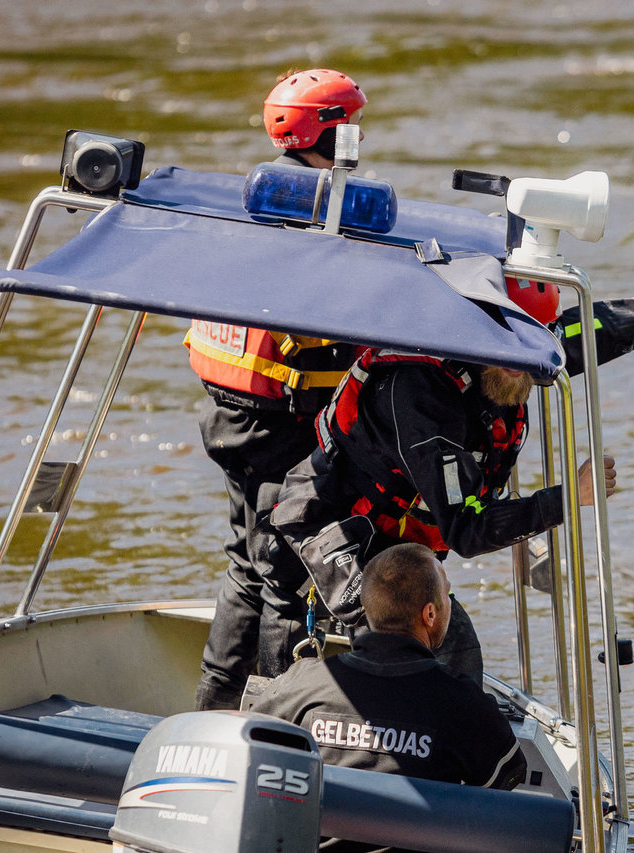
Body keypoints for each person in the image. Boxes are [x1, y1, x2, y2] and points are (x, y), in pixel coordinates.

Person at [266, 279, 634, 681]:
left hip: (395, 527)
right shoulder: (422, 395)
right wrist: (566, 498)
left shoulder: (522, 347)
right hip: (335, 526)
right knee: (435, 645)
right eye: (505, 348)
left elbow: (582, 333)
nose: (518, 361)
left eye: (531, 345)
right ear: (474, 331)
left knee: (450, 652)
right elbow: (466, 530)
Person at [191, 68, 369, 711]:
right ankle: (267, 717)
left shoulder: (255, 198)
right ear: (333, 132)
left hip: (229, 417)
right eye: (351, 125)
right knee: (282, 581)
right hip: (280, 429)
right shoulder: (318, 215)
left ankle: (214, 706)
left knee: (246, 564)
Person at [250, 542, 526, 794]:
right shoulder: (464, 704)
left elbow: (249, 745)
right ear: (429, 614)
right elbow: (507, 778)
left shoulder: (304, 683)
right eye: (447, 595)